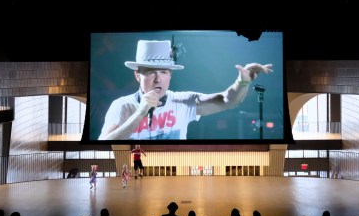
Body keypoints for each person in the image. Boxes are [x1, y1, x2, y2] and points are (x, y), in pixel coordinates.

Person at [98, 39, 273, 140]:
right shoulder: (122, 105)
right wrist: (140, 112)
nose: (158, 79)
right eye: (151, 72)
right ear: (138, 76)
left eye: (164, 72)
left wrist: (242, 82)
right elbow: (104, 142)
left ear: (170, 76)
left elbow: (227, 101)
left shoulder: (183, 101)